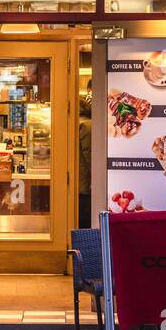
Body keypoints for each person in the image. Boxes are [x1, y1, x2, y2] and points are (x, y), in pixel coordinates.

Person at [77, 90, 93, 228]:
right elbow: (90, 154)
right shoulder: (86, 125)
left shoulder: (80, 125)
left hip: (80, 184)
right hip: (84, 184)